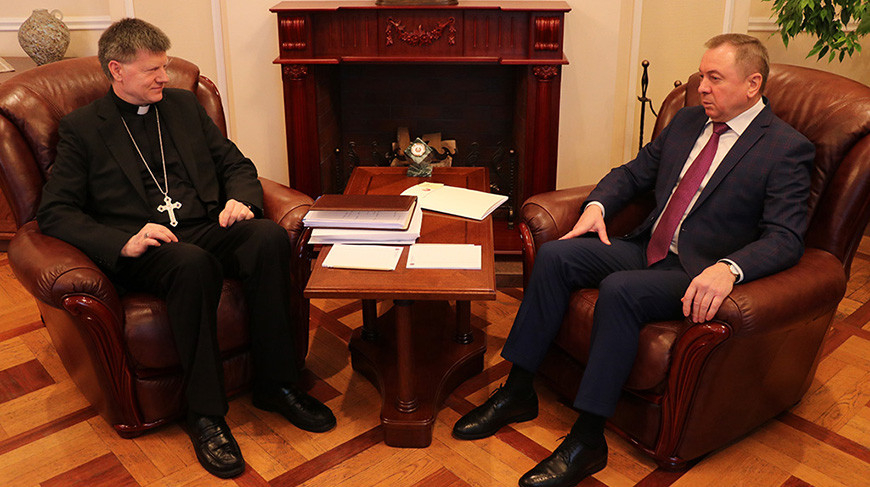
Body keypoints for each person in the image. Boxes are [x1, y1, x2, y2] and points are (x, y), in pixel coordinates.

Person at [452, 33, 814, 487]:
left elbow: (786, 238)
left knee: (620, 290)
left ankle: (588, 440)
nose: (701, 87)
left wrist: (730, 268)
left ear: (752, 84)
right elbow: (633, 173)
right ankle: (519, 390)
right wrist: (597, 206)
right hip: (648, 245)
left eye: (714, 78)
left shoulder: (785, 148)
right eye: (701, 76)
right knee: (556, 255)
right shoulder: (687, 122)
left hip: (695, 269)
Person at [37, 18, 335, 479]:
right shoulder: (83, 129)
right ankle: (205, 413)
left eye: (165, 66)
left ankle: (276, 384)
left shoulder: (182, 106)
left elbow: (235, 164)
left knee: (266, 237)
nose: (164, 77)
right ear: (116, 69)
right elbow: (55, 212)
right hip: (147, 248)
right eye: (152, 70)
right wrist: (122, 242)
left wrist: (242, 199)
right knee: (192, 264)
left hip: (204, 225)